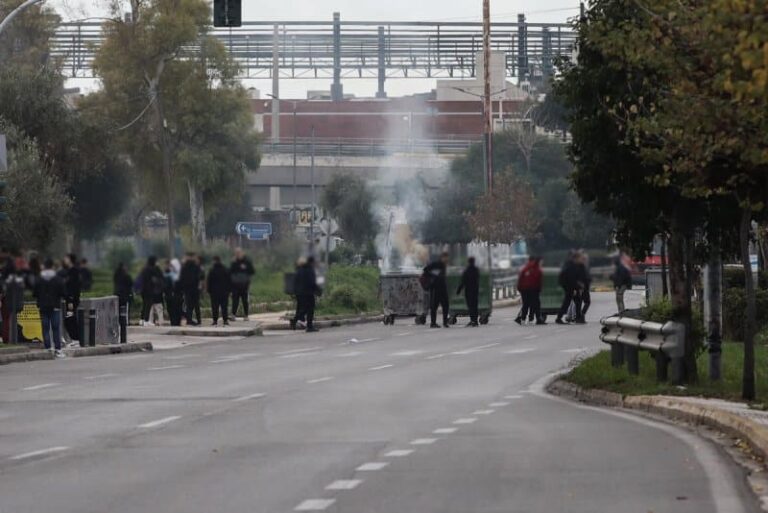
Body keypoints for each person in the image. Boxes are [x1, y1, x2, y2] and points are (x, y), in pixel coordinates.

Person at [34, 259, 66, 358]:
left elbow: (34, 293)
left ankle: (48, 348)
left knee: (45, 328)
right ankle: (58, 350)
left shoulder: (39, 279)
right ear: (52, 267)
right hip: (55, 306)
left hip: (43, 307)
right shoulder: (58, 279)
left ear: (44, 266)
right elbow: (63, 293)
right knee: (56, 328)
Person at [291, 256, 320, 333]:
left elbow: (295, 281)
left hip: (299, 292)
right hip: (308, 292)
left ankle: (295, 320)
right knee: (310, 308)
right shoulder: (310, 269)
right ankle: (309, 326)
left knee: (304, 308)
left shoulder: (299, 269)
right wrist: (318, 290)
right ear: (312, 262)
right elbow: (312, 281)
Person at [424, 252, 450, 328]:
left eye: (447, 258)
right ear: (442, 257)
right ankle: (433, 323)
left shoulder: (443, 265)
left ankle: (445, 322)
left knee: (446, 305)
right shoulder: (436, 264)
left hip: (443, 288)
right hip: (435, 288)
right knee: (434, 306)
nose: (447, 259)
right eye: (445, 258)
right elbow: (425, 270)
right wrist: (433, 275)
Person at [556, 251, 583, 325]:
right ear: (576, 258)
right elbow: (572, 279)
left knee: (576, 301)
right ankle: (560, 318)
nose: (581, 260)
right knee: (570, 302)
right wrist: (575, 288)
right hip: (569, 287)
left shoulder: (569, 264)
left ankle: (577, 317)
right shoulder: (572, 266)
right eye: (580, 258)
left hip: (568, 286)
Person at [515, 256, 544, 325]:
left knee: (525, 304)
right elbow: (539, 281)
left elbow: (520, 278)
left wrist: (519, 288)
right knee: (534, 304)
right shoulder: (538, 269)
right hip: (533, 289)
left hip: (524, 289)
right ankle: (531, 319)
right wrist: (539, 289)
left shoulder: (525, 268)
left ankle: (522, 319)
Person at [230, 248, 255, 321]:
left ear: (242, 253)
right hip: (235, 285)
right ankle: (233, 314)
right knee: (235, 300)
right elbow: (230, 272)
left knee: (245, 300)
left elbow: (252, 271)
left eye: (239, 253)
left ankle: (246, 315)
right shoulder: (234, 262)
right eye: (236, 253)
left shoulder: (247, 262)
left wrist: (245, 268)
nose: (237, 254)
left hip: (245, 284)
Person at [139, 256, 165, 326]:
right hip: (149, 289)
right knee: (148, 304)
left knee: (145, 304)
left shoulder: (144, 269)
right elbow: (160, 276)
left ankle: (142, 319)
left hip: (143, 290)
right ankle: (146, 321)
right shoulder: (152, 269)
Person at [207, 256, 231, 326]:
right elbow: (229, 281)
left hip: (214, 292)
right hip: (224, 292)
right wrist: (229, 290)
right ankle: (225, 320)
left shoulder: (212, 270)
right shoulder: (226, 269)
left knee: (215, 307)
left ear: (214, 261)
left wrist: (209, 291)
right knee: (224, 307)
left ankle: (215, 321)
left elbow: (209, 281)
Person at [179, 253, 203, 326]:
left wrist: (182, 288)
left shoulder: (184, 267)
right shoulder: (197, 267)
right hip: (195, 289)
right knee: (196, 305)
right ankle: (199, 320)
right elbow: (199, 278)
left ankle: (189, 320)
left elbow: (181, 278)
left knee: (189, 306)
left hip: (187, 290)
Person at [456, 256, 480, 327]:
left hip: (468, 290)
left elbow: (463, 281)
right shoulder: (476, 270)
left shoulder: (467, 271)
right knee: (475, 306)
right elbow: (478, 279)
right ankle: (475, 320)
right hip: (475, 290)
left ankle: (472, 320)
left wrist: (459, 290)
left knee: (470, 306)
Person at [577, 250, 592, 321]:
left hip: (583, 287)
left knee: (580, 302)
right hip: (582, 287)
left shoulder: (582, 266)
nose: (586, 260)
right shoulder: (581, 266)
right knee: (587, 302)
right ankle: (581, 315)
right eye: (584, 259)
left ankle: (579, 316)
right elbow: (582, 277)